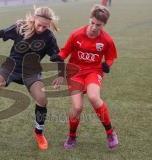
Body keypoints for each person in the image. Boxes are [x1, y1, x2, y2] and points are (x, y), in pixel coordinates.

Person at [0, 6, 64, 150]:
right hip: (11, 66)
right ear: (34, 19)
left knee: (42, 100)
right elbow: (1, 33)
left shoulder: (48, 37)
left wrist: (61, 73)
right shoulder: (20, 27)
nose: (42, 29)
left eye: (46, 26)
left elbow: (58, 55)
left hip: (31, 71)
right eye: (39, 25)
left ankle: (39, 133)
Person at [58, 4, 119, 149]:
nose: (94, 27)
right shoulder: (76, 34)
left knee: (93, 97)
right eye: (92, 23)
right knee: (77, 107)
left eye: (98, 25)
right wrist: (58, 56)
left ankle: (110, 132)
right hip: (75, 73)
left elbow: (110, 57)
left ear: (104, 25)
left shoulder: (107, 40)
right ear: (89, 19)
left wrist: (107, 65)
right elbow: (65, 51)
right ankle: (72, 137)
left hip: (93, 72)